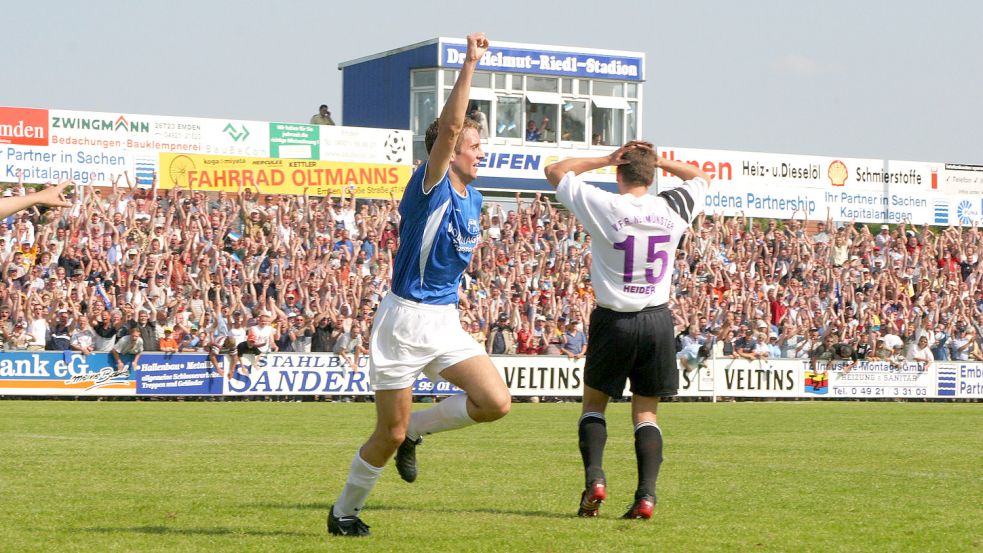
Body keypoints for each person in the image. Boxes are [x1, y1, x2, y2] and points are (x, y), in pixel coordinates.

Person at [329, 33, 511, 538]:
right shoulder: (429, 185)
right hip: (403, 322)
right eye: (474, 146)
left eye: (480, 145)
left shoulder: (474, 199)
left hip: (444, 320)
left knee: (495, 402)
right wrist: (471, 64)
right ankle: (343, 511)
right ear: (448, 151)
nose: (481, 153)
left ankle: (419, 434)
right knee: (387, 432)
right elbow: (451, 127)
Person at [545, 140, 710, 520]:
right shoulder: (673, 205)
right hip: (656, 318)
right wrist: (659, 161)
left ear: (619, 171)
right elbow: (702, 178)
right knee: (646, 415)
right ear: (652, 177)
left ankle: (595, 482)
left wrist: (605, 158)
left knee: (593, 406)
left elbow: (555, 171)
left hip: (613, 319)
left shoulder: (606, 205)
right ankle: (646, 496)